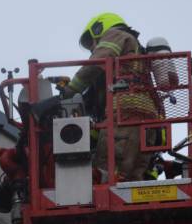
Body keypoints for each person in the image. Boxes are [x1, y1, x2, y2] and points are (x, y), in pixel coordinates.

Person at [61, 13, 157, 181]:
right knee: (130, 178)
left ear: (99, 28)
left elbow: (95, 64)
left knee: (106, 172)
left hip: (124, 113)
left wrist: (68, 91)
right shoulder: (135, 48)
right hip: (147, 117)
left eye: (91, 42)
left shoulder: (115, 35)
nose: (92, 48)